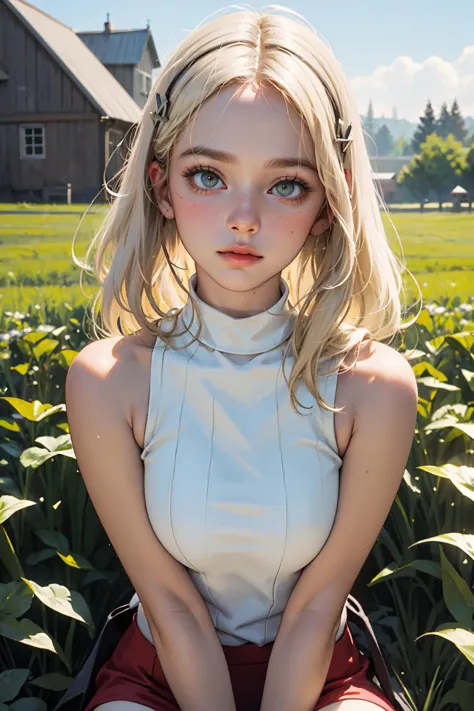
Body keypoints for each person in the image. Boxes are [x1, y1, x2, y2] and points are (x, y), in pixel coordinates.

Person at [65, 6, 419, 711]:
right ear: (161, 186)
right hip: (160, 671)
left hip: (323, 672)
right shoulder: (108, 381)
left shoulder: (373, 388)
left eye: (286, 182)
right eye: (208, 176)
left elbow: (318, 607)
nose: (244, 217)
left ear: (327, 203)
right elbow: (171, 605)